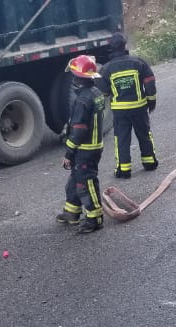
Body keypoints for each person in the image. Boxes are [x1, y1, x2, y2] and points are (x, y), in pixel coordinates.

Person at [56, 55, 107, 234]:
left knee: (86, 183)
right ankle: (71, 213)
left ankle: (95, 218)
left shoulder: (82, 100)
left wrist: (68, 153)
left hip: (86, 149)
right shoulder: (95, 93)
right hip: (92, 146)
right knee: (75, 182)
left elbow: (79, 130)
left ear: (78, 78)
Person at [98, 32, 158, 179]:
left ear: (110, 48)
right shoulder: (138, 62)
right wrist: (151, 102)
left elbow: (104, 92)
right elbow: (150, 84)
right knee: (144, 134)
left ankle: (124, 169)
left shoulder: (106, 69)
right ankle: (149, 162)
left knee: (122, 139)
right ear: (125, 45)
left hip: (120, 111)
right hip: (139, 107)